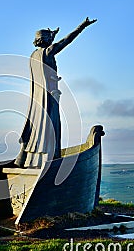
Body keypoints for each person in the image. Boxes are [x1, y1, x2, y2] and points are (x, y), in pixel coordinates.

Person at [15, 17, 97, 168]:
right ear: (46, 40)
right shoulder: (48, 52)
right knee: (51, 126)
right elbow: (67, 40)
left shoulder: (33, 56)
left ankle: (29, 159)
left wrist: (52, 34)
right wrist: (82, 26)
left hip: (37, 98)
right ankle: (50, 159)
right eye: (50, 38)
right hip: (49, 97)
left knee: (36, 127)